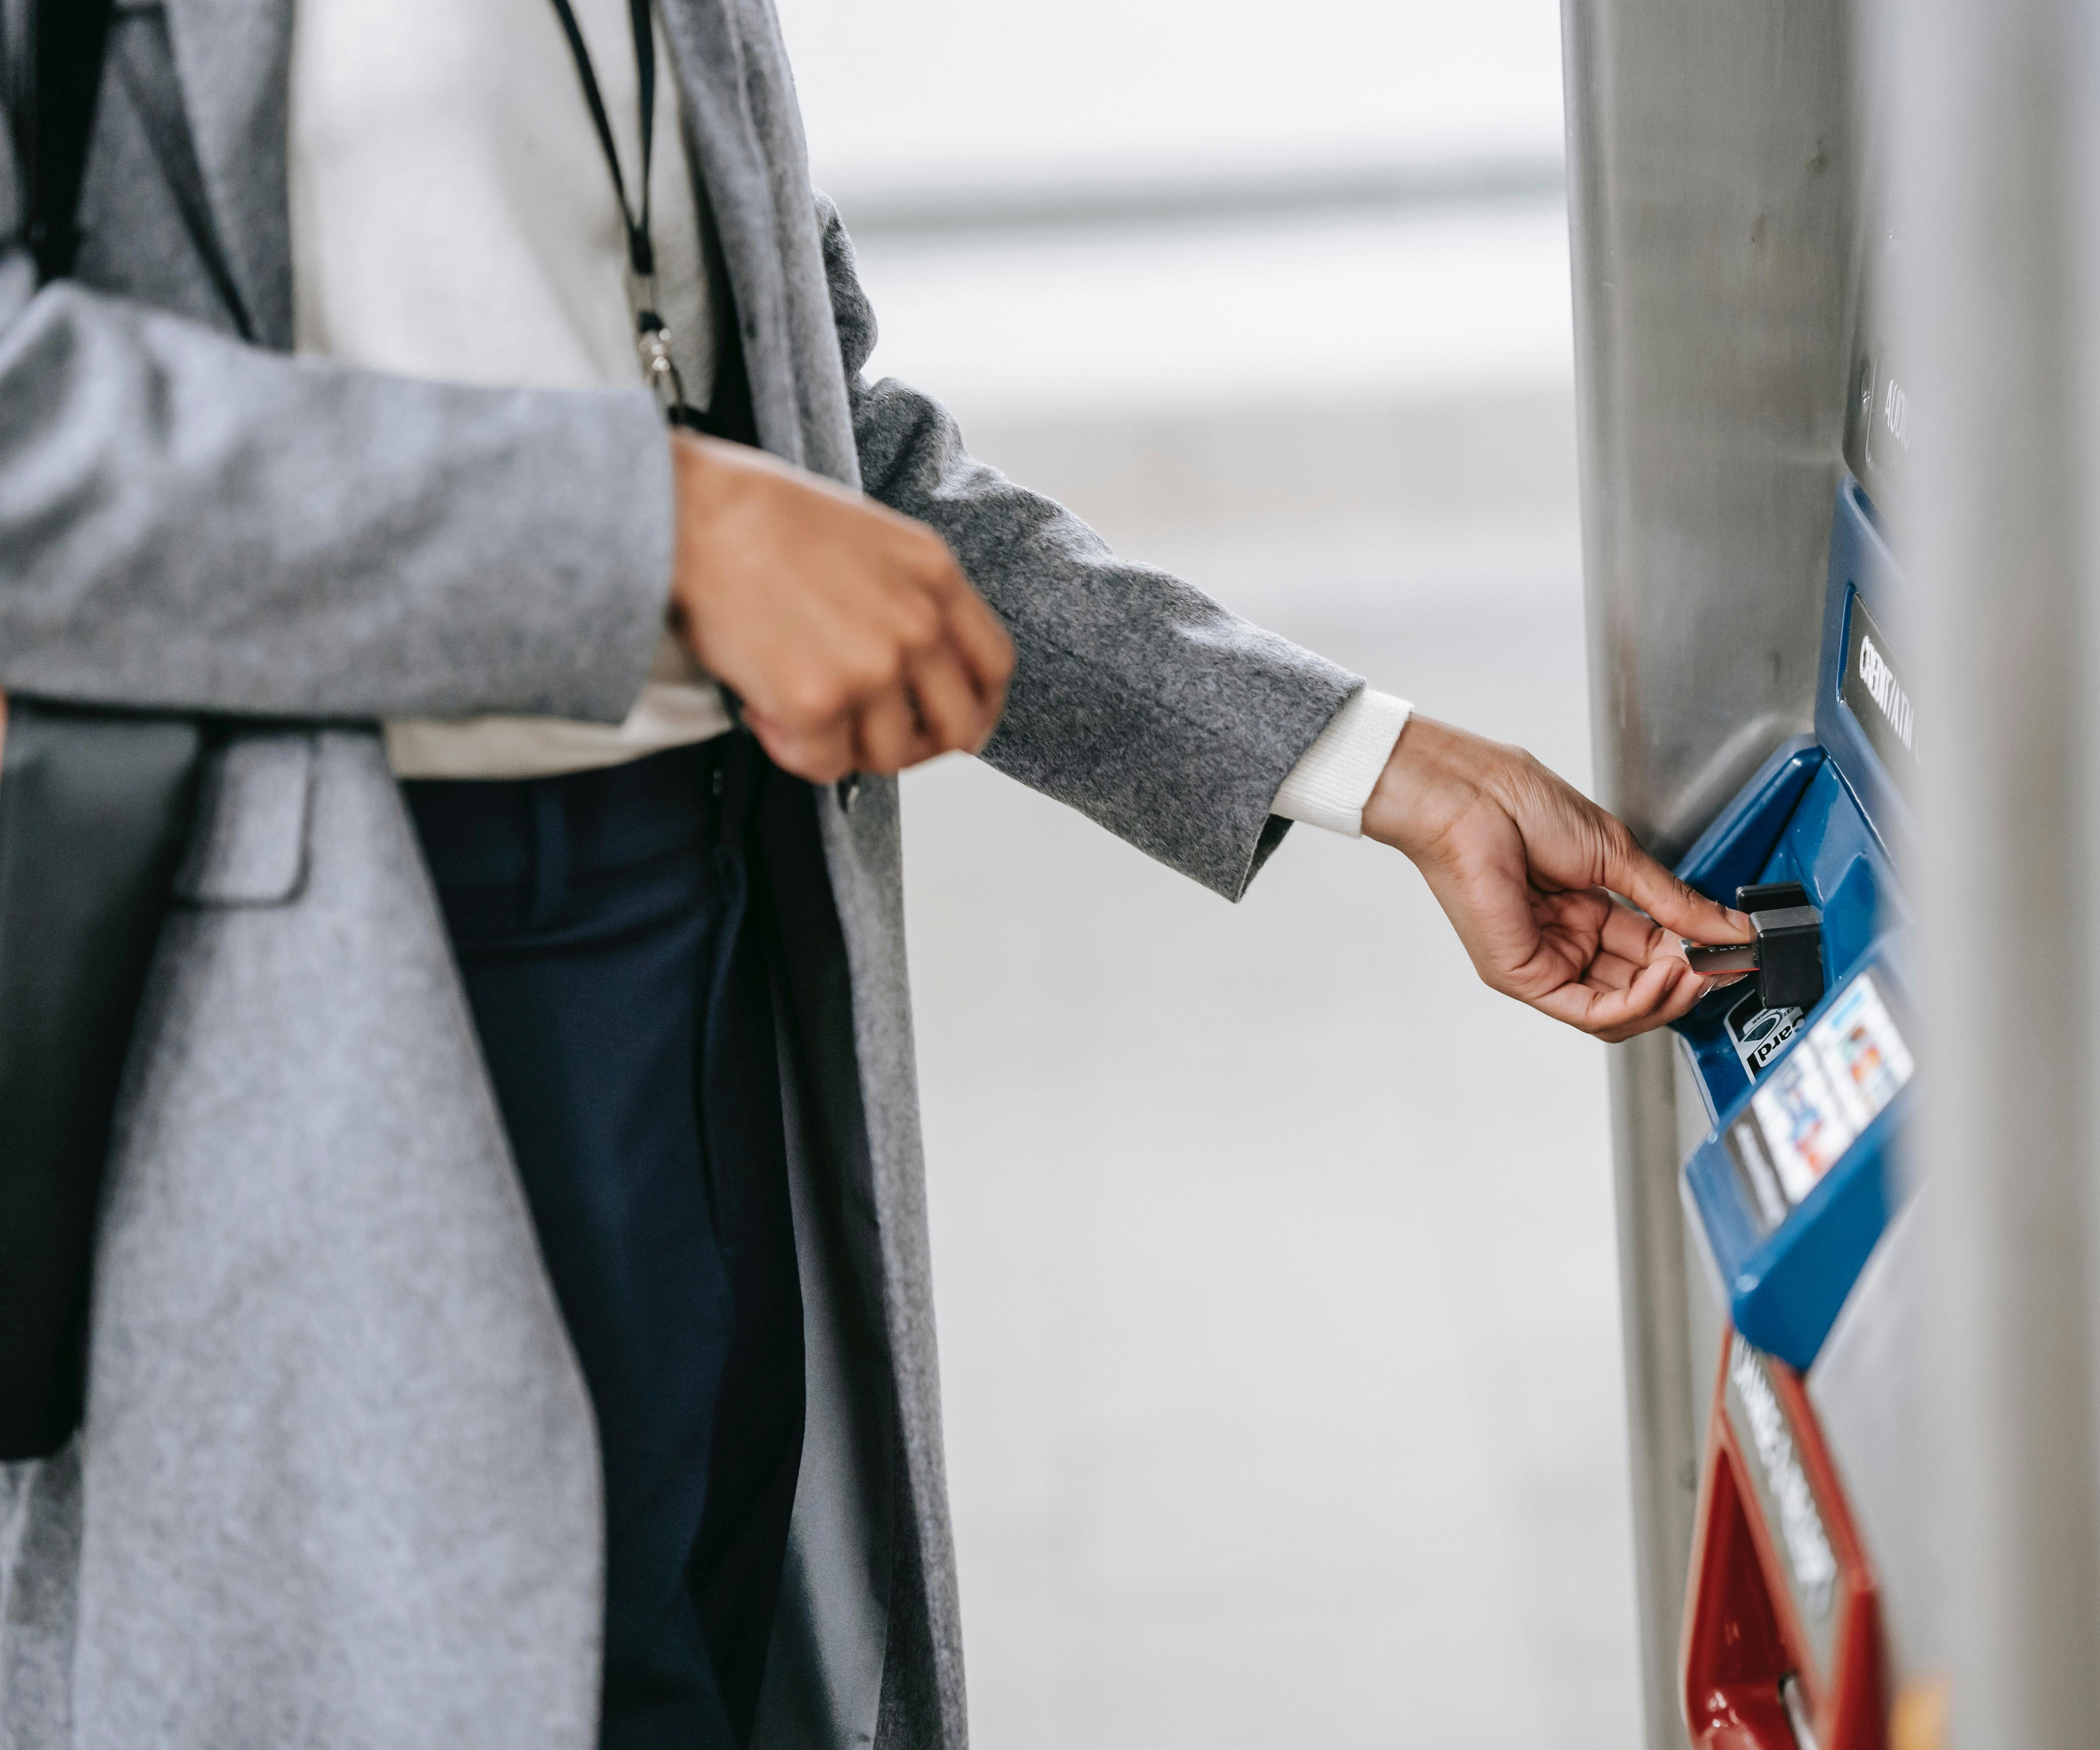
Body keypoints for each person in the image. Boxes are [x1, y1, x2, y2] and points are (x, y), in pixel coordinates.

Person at [0, 2, 1753, 1746]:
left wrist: (1371, 758)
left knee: (703, 1655)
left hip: (703, 933)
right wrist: (656, 527)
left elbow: (831, 469)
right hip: (323, 995)